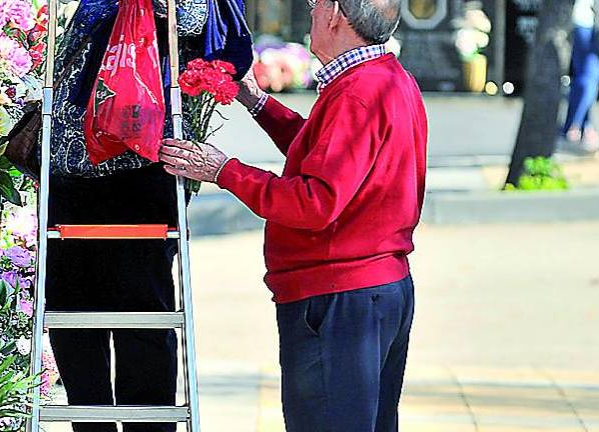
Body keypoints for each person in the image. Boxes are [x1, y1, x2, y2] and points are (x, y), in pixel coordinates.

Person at [160, 0, 427, 429]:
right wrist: (259, 103)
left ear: (337, 13)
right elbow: (324, 153)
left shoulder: (358, 92)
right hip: (374, 290)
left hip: (340, 295)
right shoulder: (387, 78)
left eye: (315, 3)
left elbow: (314, 201)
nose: (311, 11)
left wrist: (223, 170)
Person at [44, 8, 179, 432]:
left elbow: (194, 23)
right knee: (71, 316)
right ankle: (90, 424)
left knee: (141, 315)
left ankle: (148, 426)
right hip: (68, 175)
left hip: (137, 170)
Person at [563, 0, 599, 154]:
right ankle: (575, 124)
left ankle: (583, 125)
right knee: (590, 75)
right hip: (586, 19)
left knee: (585, 75)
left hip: (585, 19)